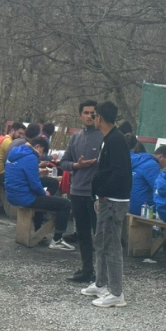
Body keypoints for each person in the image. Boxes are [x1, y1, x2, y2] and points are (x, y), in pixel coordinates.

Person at [81, 101, 132, 308]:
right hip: (104, 200)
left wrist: (103, 192)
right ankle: (101, 283)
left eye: (95, 116)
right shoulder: (108, 139)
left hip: (114, 201)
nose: (93, 119)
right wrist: (98, 196)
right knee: (100, 241)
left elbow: (120, 173)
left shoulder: (117, 140)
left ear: (100, 118)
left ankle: (116, 293)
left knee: (112, 246)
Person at [4, 137, 75, 251]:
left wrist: (39, 176)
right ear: (37, 147)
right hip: (24, 197)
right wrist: (44, 193)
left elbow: (23, 175)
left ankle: (39, 228)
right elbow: (34, 185)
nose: (41, 156)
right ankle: (57, 240)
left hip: (12, 193)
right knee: (66, 204)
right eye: (42, 152)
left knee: (52, 182)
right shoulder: (31, 157)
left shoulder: (16, 152)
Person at [60, 100, 103, 282]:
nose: (89, 116)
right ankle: (87, 270)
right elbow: (64, 162)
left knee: (99, 236)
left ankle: (102, 274)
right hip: (77, 191)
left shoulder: (103, 137)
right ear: (80, 116)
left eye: (93, 113)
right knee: (83, 234)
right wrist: (77, 165)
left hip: (95, 194)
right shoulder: (76, 137)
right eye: (86, 113)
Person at [0, 122, 25, 216]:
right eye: (19, 133)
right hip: (1, 174)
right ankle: (21, 210)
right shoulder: (9, 142)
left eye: (23, 134)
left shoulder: (2, 138)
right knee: (24, 178)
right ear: (12, 131)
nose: (21, 136)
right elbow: (15, 161)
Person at [126, 134, 159, 216]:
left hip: (123, 206)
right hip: (145, 210)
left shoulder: (119, 161)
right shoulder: (150, 164)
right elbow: (159, 188)